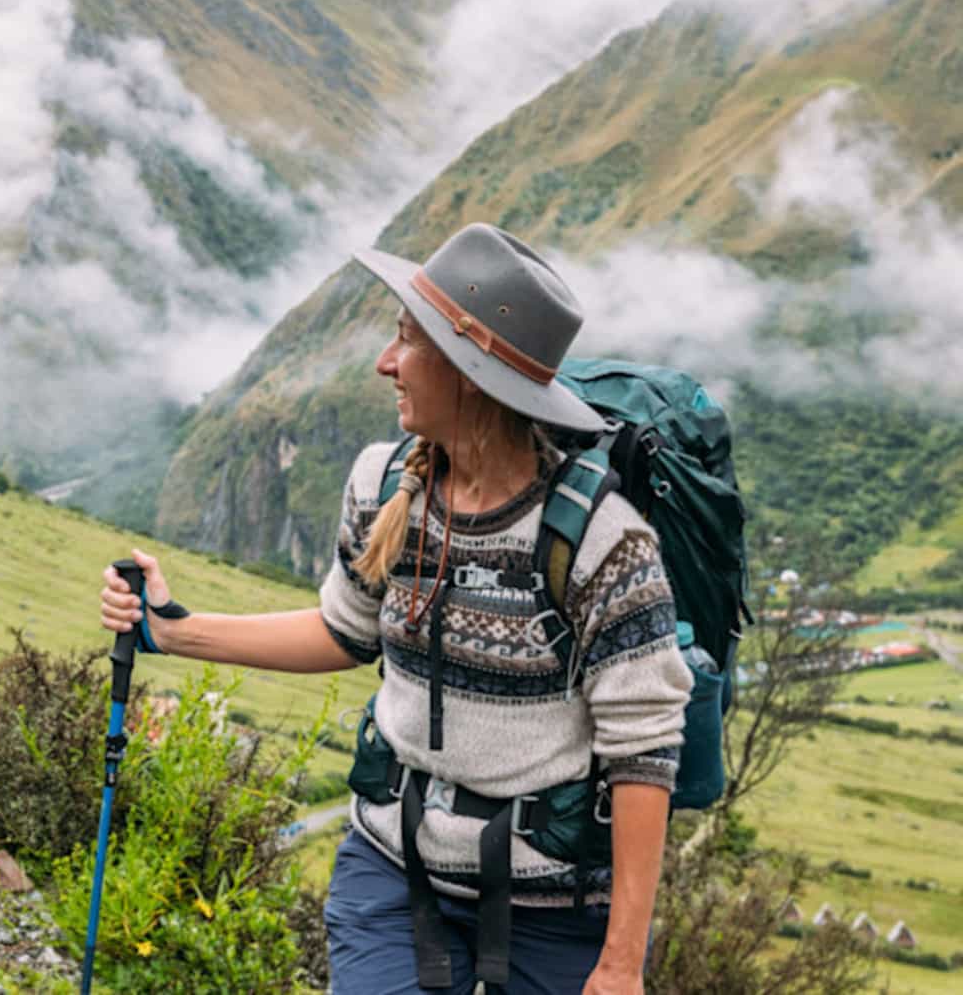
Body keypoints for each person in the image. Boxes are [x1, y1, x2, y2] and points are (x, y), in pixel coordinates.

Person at [100, 224, 690, 995]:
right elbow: (343, 631)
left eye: (406, 342)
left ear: (468, 373)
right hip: (391, 869)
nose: (385, 363)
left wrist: (621, 965)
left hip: (552, 906)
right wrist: (171, 629)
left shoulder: (602, 542)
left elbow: (643, 754)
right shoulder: (382, 488)